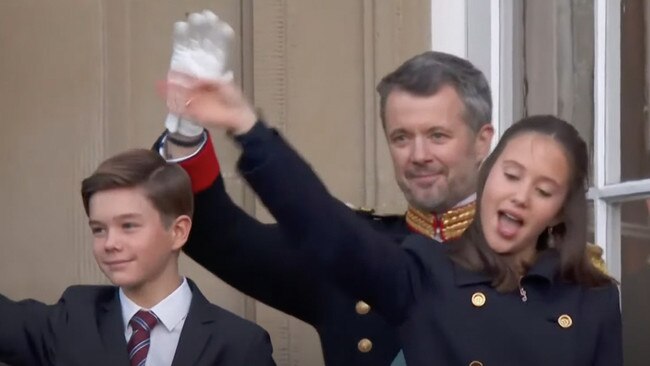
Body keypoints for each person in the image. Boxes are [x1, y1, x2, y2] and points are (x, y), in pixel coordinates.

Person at [164, 77, 623, 365]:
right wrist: (239, 125)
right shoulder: (418, 269)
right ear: (492, 172)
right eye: (402, 137)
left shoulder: (591, 297)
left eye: (543, 190)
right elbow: (309, 221)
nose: (520, 197)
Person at [158, 49, 495, 366]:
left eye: (437, 135)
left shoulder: (527, 253)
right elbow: (221, 237)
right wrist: (185, 133)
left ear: (482, 141)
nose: (419, 156)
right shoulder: (350, 249)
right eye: (401, 138)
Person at [0, 149, 276, 366]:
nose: (110, 243)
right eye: (99, 229)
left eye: (128, 226)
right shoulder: (73, 318)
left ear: (178, 231)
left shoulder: (240, 346)